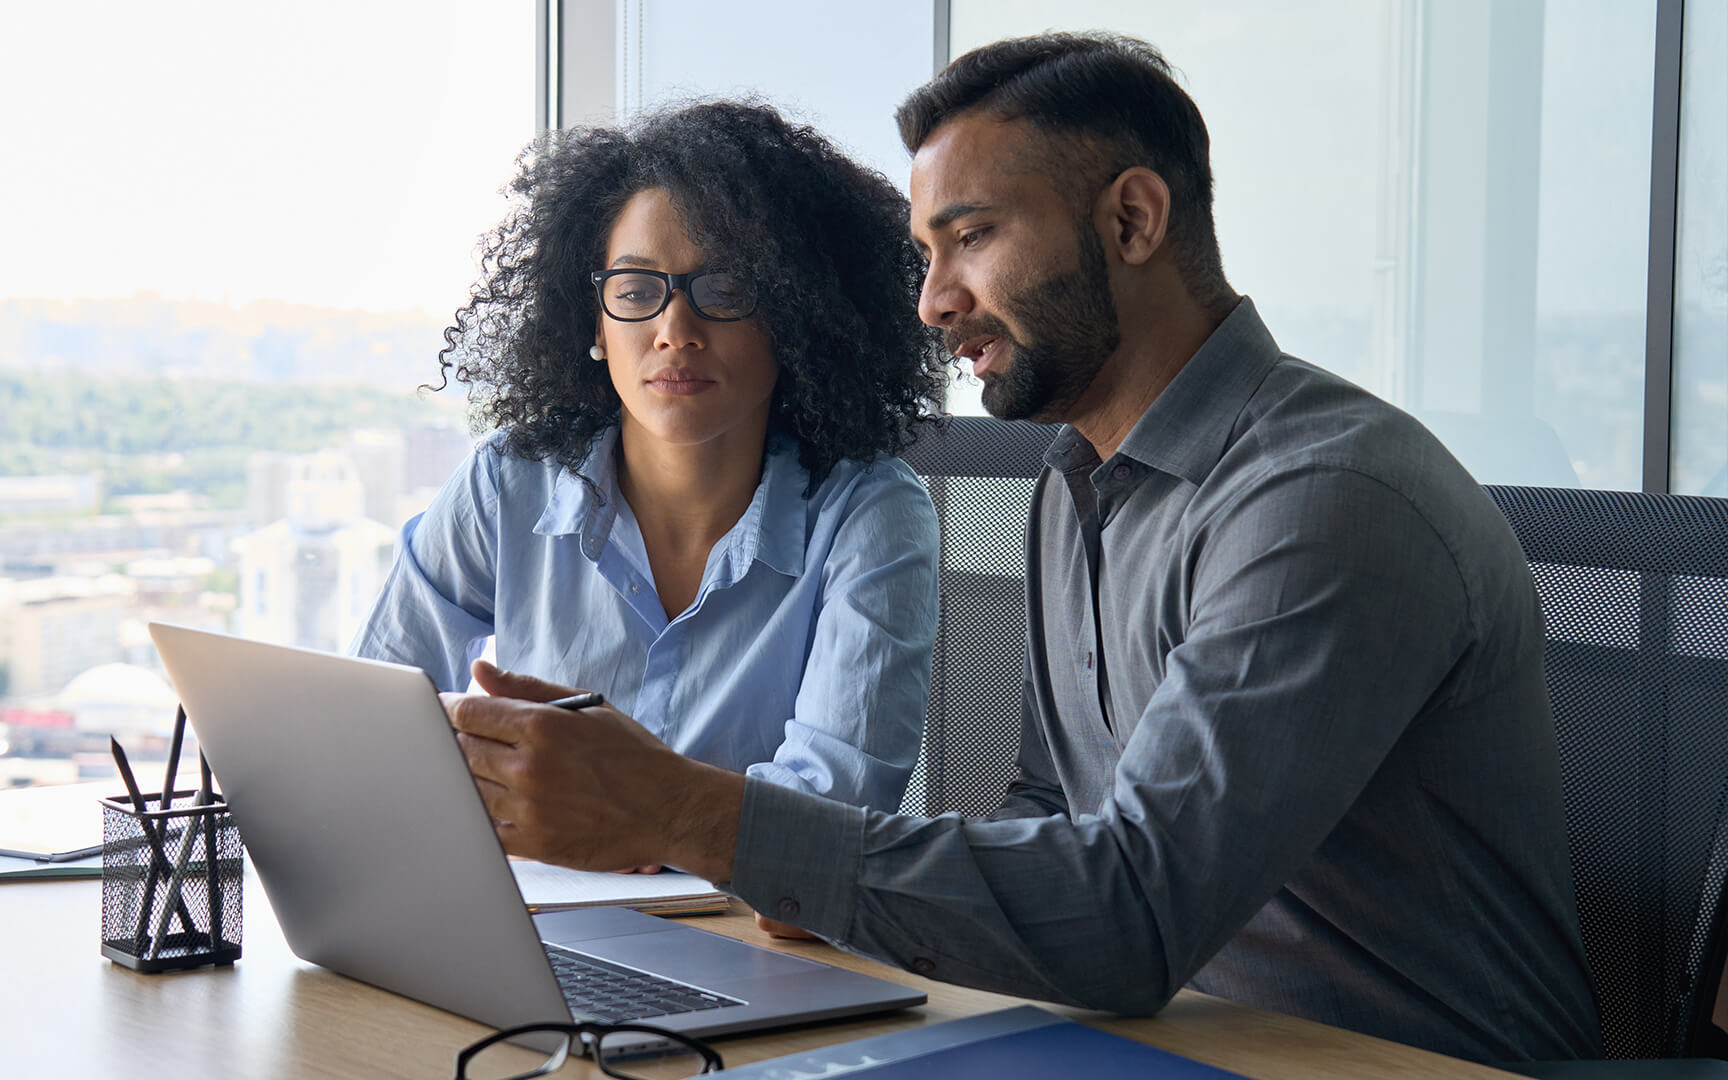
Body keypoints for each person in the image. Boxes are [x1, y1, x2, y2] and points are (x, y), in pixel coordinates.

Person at [442, 34, 1603, 1063]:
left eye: (973, 238)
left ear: (1133, 221)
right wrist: (823, 874)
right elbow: (1052, 809)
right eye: (926, 252)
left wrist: (696, 817)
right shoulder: (1075, 481)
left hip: (1373, 1059)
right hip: (1151, 1038)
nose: (933, 302)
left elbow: (1133, 915)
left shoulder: (1323, 500)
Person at [355, 101, 946, 816]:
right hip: (532, 907)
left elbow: (831, 810)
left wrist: (645, 822)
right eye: (635, 291)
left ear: (795, 316)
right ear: (595, 324)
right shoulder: (507, 483)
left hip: (749, 924)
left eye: (723, 289)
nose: (674, 330)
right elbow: (374, 716)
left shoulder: (872, 513)